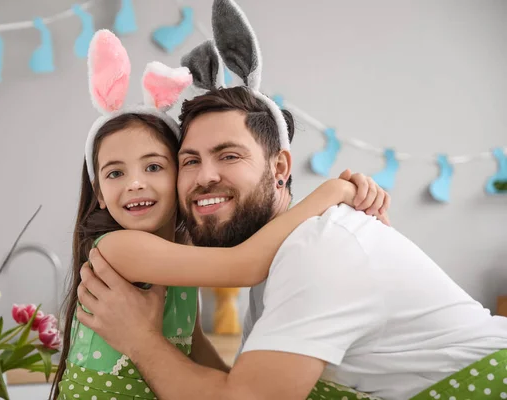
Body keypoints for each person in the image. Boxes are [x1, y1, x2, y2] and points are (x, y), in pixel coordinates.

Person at [74, 1, 507, 400]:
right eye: (190, 160)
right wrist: (333, 191)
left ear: (280, 168)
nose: (205, 176)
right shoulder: (271, 263)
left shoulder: (319, 249)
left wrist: (142, 341)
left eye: (228, 155)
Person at [50, 28, 389, 400]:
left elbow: (192, 342)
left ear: (180, 175)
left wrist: (230, 386)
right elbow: (244, 265)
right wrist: (331, 191)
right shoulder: (118, 248)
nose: (134, 184)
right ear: (98, 193)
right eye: (115, 173)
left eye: (153, 167)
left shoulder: (180, 248)